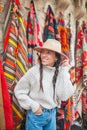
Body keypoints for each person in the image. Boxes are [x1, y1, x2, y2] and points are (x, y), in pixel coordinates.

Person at [14, 39, 76, 130]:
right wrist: (34, 106)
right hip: (37, 116)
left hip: (52, 114)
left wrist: (64, 70)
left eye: (48, 53)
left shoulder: (59, 73)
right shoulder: (34, 72)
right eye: (42, 52)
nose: (43, 55)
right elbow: (19, 90)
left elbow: (64, 96)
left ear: (56, 57)